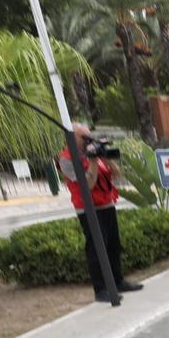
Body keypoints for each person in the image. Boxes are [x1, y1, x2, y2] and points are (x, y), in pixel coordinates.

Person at [58, 124, 143, 302]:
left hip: (107, 204)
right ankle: (101, 289)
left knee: (113, 245)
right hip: (88, 209)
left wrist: (105, 156)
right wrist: (93, 161)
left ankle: (118, 281)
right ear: (72, 139)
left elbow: (118, 175)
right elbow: (88, 184)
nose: (89, 141)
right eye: (84, 138)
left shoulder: (93, 153)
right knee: (97, 248)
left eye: (90, 136)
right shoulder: (66, 159)